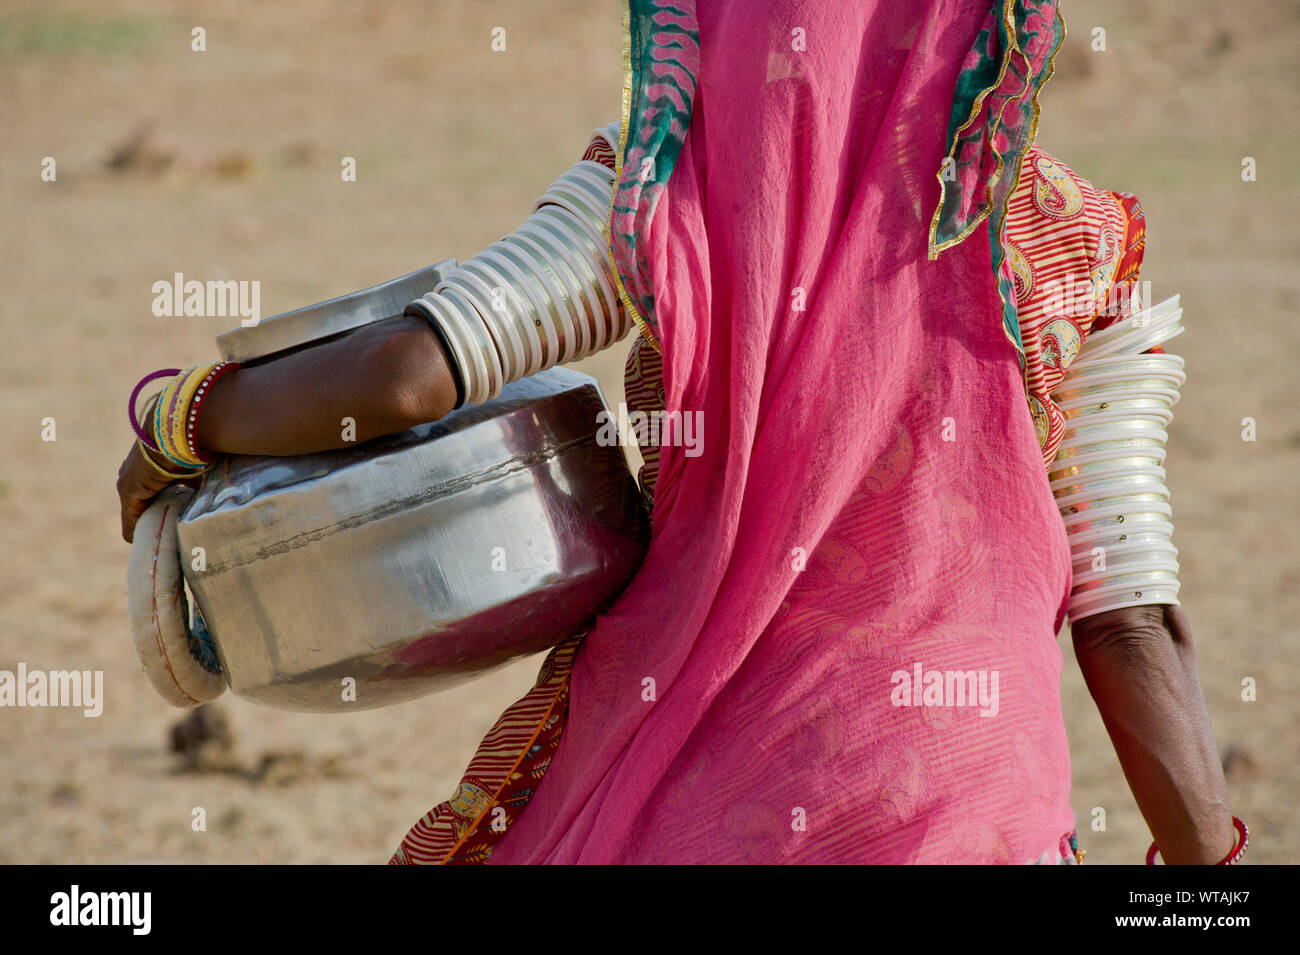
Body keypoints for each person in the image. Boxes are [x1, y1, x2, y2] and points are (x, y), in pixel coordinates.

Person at [118, 0, 1241, 864]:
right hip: (972, 809)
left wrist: (183, 417)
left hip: (711, 788)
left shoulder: (665, 197)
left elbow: (416, 373)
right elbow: (1129, 614)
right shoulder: (1076, 246)